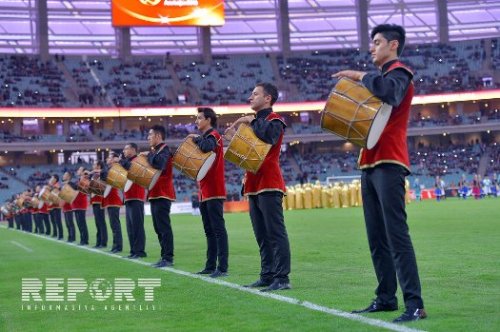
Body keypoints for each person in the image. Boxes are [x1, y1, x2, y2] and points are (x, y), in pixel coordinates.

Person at [333, 24, 426, 322]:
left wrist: (358, 75)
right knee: (376, 237)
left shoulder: (399, 73)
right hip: (369, 163)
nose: (371, 48)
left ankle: (414, 304)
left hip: (390, 162)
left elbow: (389, 93)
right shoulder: (379, 77)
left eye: (376, 42)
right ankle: (386, 297)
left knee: (396, 235)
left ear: (393, 45)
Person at [225, 82, 291, 292]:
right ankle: (267, 274)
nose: (250, 97)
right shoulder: (254, 123)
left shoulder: (276, 120)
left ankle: (282, 278)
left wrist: (252, 121)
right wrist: (232, 139)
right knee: (261, 234)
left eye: (255, 94)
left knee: (275, 232)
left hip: (269, 182)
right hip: (253, 182)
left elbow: (269, 137)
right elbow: (247, 154)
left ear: (268, 98)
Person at [193, 107, 229, 278]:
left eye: (199, 118)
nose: (196, 121)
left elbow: (207, 146)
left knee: (218, 229)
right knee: (209, 230)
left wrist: (195, 139)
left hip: (213, 189)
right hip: (205, 189)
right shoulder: (206, 136)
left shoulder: (213, 135)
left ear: (208, 120)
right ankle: (210, 265)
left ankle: (222, 267)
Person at [144, 125, 176, 268]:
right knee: (158, 227)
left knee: (163, 226)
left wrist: (148, 155)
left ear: (158, 136)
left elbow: (159, 163)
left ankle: (168, 258)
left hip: (163, 193)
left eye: (150, 135)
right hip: (155, 193)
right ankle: (164, 256)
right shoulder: (157, 151)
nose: (148, 138)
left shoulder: (165, 150)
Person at [118, 143, 147, 259]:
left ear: (133, 149)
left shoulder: (139, 160)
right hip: (128, 197)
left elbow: (132, 169)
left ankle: (140, 251)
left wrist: (121, 161)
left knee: (137, 226)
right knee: (130, 226)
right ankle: (133, 251)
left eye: (126, 148)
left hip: (136, 196)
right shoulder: (127, 162)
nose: (124, 151)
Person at [101, 152, 124, 253]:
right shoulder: (110, 169)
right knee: (113, 224)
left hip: (114, 199)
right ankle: (116, 245)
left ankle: (118, 246)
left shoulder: (116, 168)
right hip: (110, 200)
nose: (107, 159)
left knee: (115, 224)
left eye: (109, 157)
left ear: (115, 158)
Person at [90, 160, 108, 248]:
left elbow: (103, 185)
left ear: (98, 166)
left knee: (101, 222)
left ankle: (103, 242)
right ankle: (99, 241)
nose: (93, 166)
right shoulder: (94, 176)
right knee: (97, 222)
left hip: (99, 200)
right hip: (94, 200)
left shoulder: (102, 174)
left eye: (94, 164)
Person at [73, 168, 89, 245]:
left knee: (82, 223)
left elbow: (86, 190)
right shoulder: (78, 180)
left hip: (81, 203)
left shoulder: (85, 180)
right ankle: (82, 239)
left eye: (79, 170)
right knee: (79, 223)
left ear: (83, 172)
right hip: (76, 204)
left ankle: (85, 240)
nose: (77, 171)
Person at [61, 172, 76, 242]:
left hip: (69, 206)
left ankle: (72, 237)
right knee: (67, 223)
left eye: (65, 175)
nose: (63, 176)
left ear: (69, 177)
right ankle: (69, 236)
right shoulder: (63, 185)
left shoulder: (71, 184)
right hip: (64, 206)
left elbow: (73, 193)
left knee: (70, 223)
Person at [48, 175, 64, 239]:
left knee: (58, 221)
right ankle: (55, 233)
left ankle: (60, 235)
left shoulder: (57, 185)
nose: (51, 179)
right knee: (53, 220)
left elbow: (60, 192)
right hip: (52, 205)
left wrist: (58, 188)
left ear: (55, 179)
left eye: (52, 178)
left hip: (57, 205)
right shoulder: (52, 186)